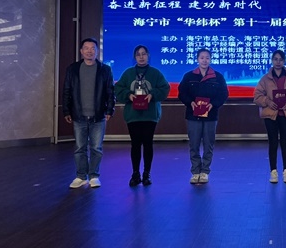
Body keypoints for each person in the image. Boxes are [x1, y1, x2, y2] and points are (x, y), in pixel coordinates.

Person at [115, 45, 171, 187]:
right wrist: (129, 95)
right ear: (134, 57)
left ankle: (147, 174)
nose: (141, 57)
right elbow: (118, 88)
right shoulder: (128, 73)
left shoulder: (155, 73)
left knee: (147, 143)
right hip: (133, 115)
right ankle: (135, 174)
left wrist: (152, 94)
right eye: (138, 54)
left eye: (144, 54)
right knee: (135, 144)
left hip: (150, 115)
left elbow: (165, 88)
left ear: (148, 56)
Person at [63, 37, 115, 189]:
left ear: (97, 51)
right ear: (81, 51)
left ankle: (94, 176)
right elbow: (67, 91)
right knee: (80, 148)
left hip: (98, 115)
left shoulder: (105, 70)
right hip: (78, 115)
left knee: (96, 148)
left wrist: (110, 109)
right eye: (86, 48)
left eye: (93, 48)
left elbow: (110, 92)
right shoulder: (73, 69)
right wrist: (66, 110)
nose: (89, 51)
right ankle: (80, 176)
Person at [253, 50, 286, 184]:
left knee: (285, 143)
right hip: (271, 115)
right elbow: (257, 96)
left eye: (280, 59)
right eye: (275, 59)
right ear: (272, 60)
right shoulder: (265, 79)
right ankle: (273, 172)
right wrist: (267, 101)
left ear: (284, 61)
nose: (278, 62)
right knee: (273, 143)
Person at [178, 48, 229, 184]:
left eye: (207, 58)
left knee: (208, 144)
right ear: (197, 59)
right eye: (202, 58)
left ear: (210, 59)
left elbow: (224, 94)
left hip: (210, 116)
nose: (204, 60)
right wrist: (190, 102)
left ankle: (205, 171)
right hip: (193, 115)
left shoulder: (218, 77)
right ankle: (195, 171)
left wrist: (213, 104)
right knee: (194, 144)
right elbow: (182, 93)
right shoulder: (189, 76)